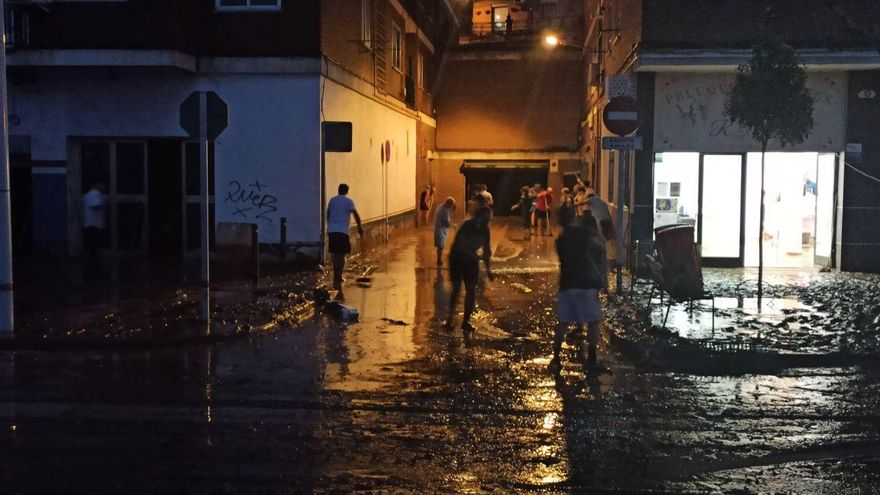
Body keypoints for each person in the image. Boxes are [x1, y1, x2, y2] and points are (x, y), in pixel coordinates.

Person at [551, 208, 608, 373]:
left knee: (563, 322)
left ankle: (556, 358)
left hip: (567, 284)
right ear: (574, 218)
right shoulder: (584, 234)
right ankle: (591, 359)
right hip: (585, 283)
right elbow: (599, 247)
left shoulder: (560, 239)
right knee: (592, 322)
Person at [445, 206, 493, 333]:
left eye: (488, 218)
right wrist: (475, 255)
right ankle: (449, 319)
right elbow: (460, 243)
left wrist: (488, 270)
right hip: (457, 259)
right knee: (456, 290)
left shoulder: (485, 231)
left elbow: (487, 251)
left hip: (471, 260)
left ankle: (465, 322)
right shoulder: (467, 225)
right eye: (486, 217)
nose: (487, 220)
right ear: (479, 216)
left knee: (471, 291)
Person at [327, 183, 363, 291]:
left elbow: (328, 213)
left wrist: (330, 224)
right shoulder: (348, 202)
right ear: (347, 191)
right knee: (341, 255)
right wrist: (360, 227)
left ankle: (336, 276)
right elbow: (355, 214)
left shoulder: (332, 200)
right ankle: (339, 276)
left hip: (332, 231)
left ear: (338, 190)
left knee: (335, 254)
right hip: (342, 231)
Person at [82, 182, 107, 260]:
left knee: (91, 246)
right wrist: (104, 206)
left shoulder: (88, 195)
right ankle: (94, 263)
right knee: (94, 245)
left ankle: (91, 262)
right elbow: (94, 207)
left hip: (90, 224)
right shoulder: (95, 194)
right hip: (94, 225)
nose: (104, 187)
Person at [434, 197, 456, 267]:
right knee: (440, 246)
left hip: (438, 228)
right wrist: (453, 226)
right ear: (449, 204)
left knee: (440, 246)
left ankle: (439, 260)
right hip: (441, 230)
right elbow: (447, 223)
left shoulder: (440, 207)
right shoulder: (444, 211)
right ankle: (439, 260)